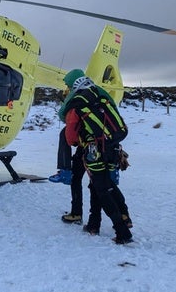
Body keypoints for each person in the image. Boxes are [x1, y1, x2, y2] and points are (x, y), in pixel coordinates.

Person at [62, 69, 133, 244]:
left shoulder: (76, 104)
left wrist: (78, 142)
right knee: (107, 185)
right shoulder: (102, 97)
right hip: (113, 148)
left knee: (102, 189)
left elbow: (70, 136)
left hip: (94, 151)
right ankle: (120, 217)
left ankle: (122, 232)